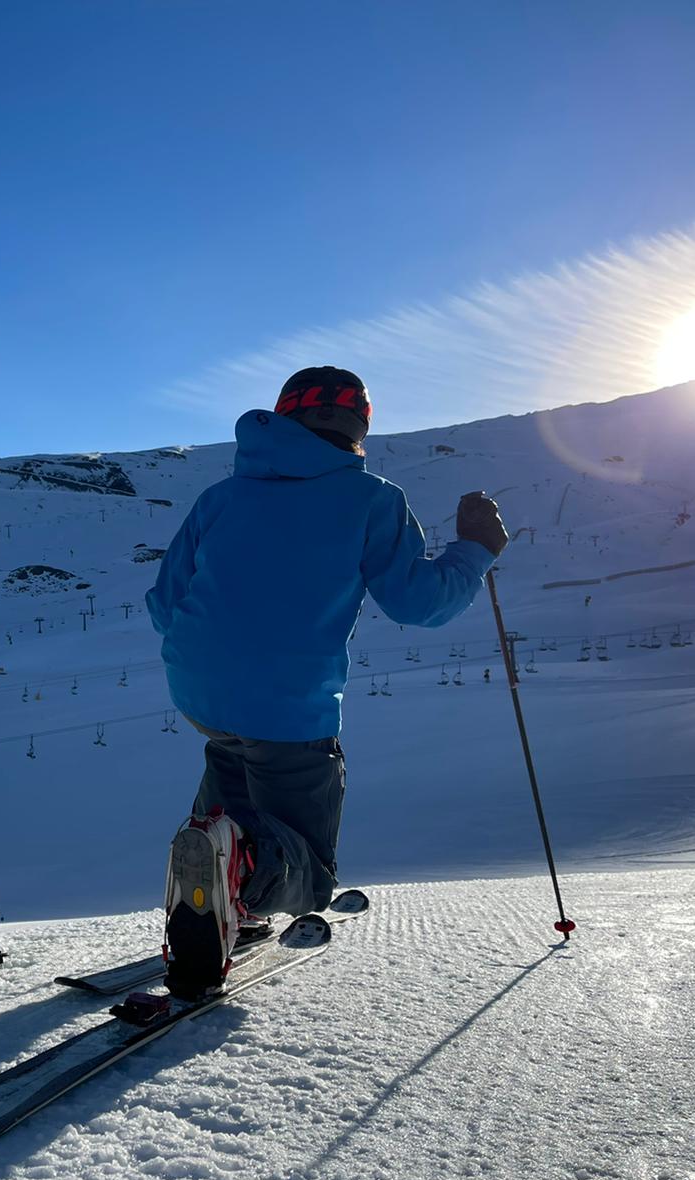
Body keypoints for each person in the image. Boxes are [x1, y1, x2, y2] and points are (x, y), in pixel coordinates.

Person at [145, 365, 507, 998]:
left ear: (283, 417)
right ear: (360, 427)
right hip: (289, 703)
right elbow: (419, 604)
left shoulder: (221, 497)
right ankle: (240, 876)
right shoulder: (371, 499)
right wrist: (475, 549)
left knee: (232, 764)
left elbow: (163, 601)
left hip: (199, 687)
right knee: (308, 871)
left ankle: (219, 877)